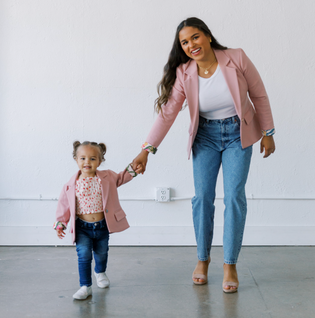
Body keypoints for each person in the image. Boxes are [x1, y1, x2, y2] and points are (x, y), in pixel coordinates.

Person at [133, 17, 275, 293]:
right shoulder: (185, 72)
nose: (191, 45)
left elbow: (259, 95)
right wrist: (146, 151)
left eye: (195, 37)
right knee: (202, 199)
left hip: (239, 133)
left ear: (208, 36)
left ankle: (230, 264)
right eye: (184, 42)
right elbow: (169, 113)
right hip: (205, 137)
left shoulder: (236, 58)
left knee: (234, 196)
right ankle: (202, 259)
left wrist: (268, 132)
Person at [54, 140, 137, 300]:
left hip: (102, 226)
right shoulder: (71, 184)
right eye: (83, 158)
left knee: (101, 253)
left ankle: (100, 271)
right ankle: (85, 286)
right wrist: (61, 224)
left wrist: (134, 168)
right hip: (82, 228)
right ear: (76, 160)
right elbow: (63, 205)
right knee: (84, 255)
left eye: (93, 159)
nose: (87, 162)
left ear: (100, 161)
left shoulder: (107, 177)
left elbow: (121, 178)